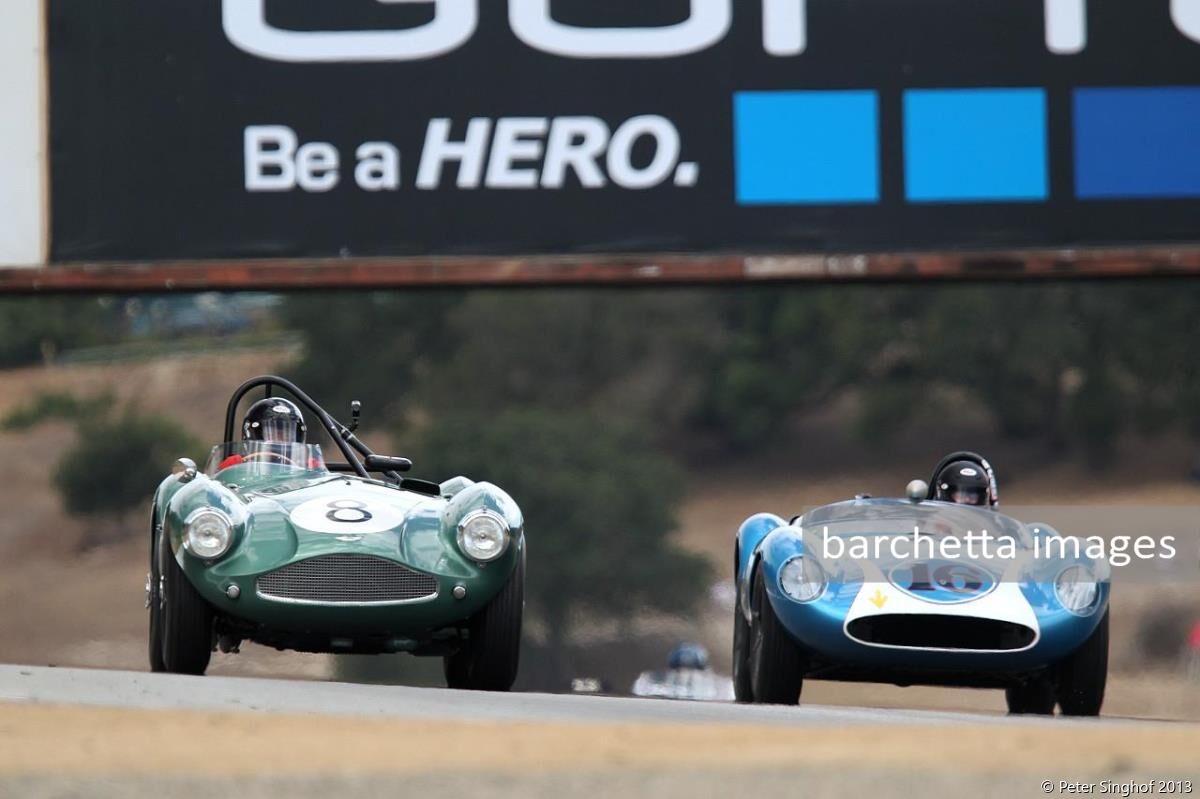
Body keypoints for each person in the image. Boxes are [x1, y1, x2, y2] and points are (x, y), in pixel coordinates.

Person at [217, 398, 308, 470]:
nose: (279, 441)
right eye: (273, 434)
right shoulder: (236, 464)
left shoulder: (307, 466)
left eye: (287, 435)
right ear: (252, 433)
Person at [932, 455, 996, 507]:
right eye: (961, 495)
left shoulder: (985, 521)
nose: (967, 499)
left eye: (972, 496)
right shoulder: (932, 520)